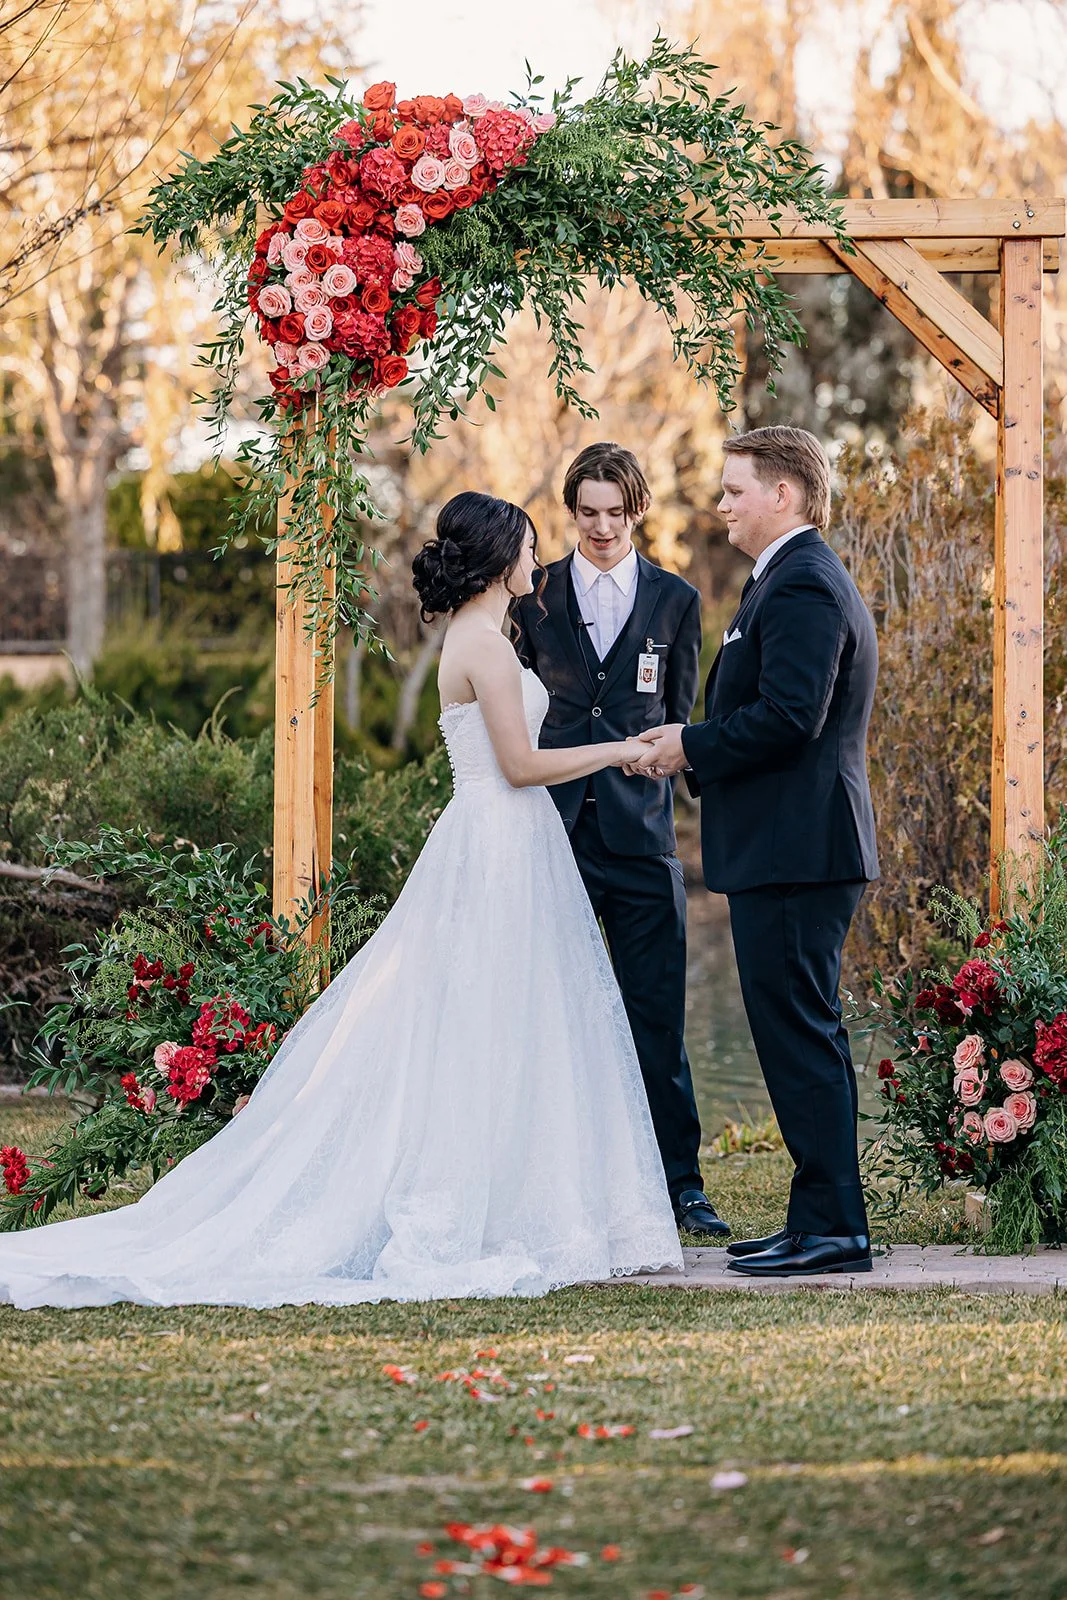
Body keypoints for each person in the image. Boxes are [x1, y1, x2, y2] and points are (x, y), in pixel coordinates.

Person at [0, 492, 681, 1310]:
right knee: (489, 1020)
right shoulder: (486, 648)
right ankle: (475, 1204)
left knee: (505, 1020)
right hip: (499, 842)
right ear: (502, 560)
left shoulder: (480, 637)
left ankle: (514, 1196)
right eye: (530, 549)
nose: (538, 563)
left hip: (507, 843)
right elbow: (519, 766)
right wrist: (622, 750)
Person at [632, 426, 879, 1277]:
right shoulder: (781, 578)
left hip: (800, 849)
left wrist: (688, 746)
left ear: (785, 494)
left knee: (800, 1034)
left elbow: (789, 717)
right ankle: (816, 1220)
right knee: (792, 1034)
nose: (723, 503)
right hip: (788, 847)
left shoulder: (805, 584)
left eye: (736, 489)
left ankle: (835, 1233)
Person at [513, 442, 728, 1240]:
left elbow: (678, 715)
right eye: (587, 512)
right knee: (550, 1013)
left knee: (656, 1015)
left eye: (616, 512)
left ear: (638, 510)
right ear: (571, 512)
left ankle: (681, 1186)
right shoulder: (531, 595)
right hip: (554, 834)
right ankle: (552, 1182)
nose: (601, 528)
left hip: (642, 839)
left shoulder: (674, 600)